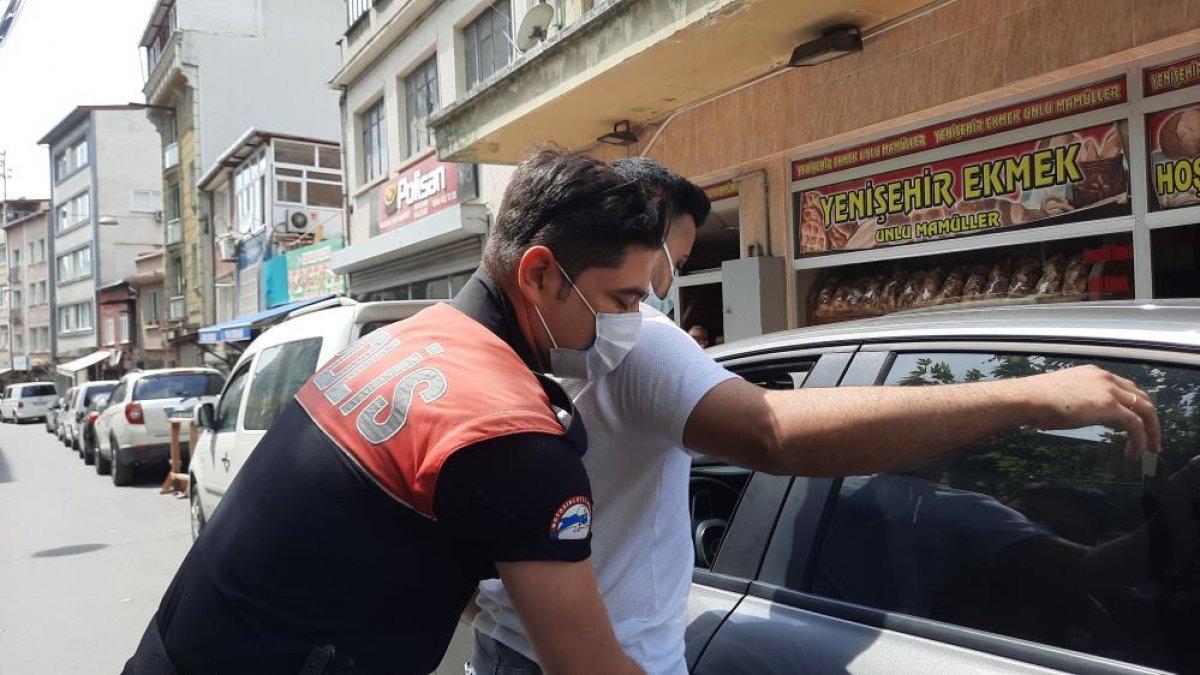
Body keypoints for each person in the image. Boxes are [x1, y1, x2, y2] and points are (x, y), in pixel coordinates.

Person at [470, 157, 1163, 675]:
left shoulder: (491, 344)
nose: (657, 294)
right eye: (649, 276)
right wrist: (1027, 396)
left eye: (670, 267)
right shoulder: (637, 345)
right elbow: (774, 429)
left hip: (511, 641)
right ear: (546, 271)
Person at [124, 149, 668, 675]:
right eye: (622, 301)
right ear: (540, 275)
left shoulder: (395, 344)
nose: (632, 323)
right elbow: (588, 667)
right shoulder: (511, 434)